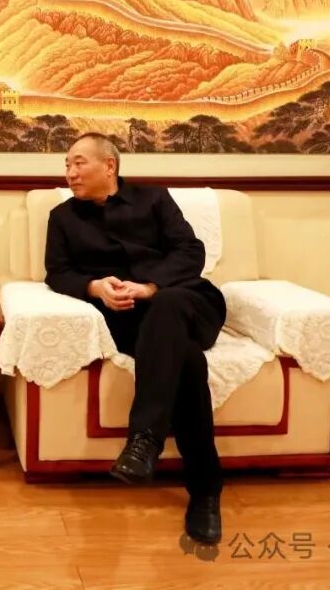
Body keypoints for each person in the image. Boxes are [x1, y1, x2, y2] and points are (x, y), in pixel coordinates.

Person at [44, 132, 226, 544]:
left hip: (186, 303)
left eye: (78, 163)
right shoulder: (63, 218)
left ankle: (144, 440)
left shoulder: (154, 199)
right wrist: (94, 287)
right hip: (129, 321)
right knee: (186, 359)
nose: (70, 173)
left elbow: (190, 252)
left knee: (167, 307)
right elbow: (58, 272)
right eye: (67, 165)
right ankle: (206, 491)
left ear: (109, 165)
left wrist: (149, 286)